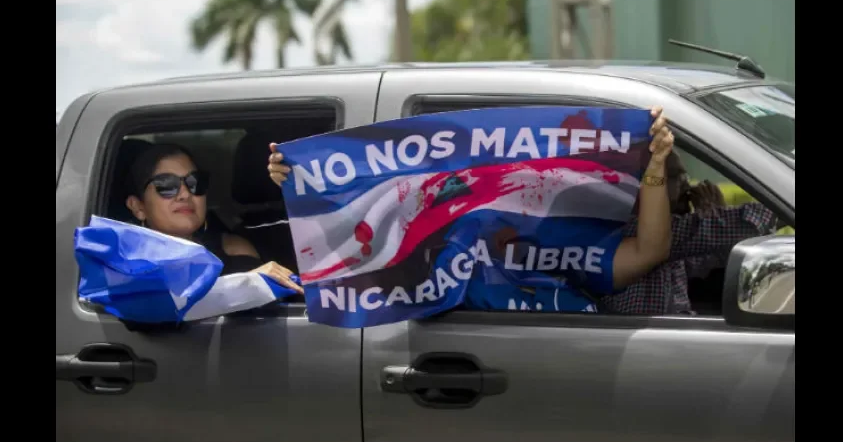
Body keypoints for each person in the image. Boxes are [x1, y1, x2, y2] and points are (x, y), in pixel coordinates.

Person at [266, 107, 677, 308]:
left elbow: (649, 252)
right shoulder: (425, 267)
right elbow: (350, 262)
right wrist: (307, 187)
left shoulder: (556, 237)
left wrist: (656, 168)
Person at [597, 149, 779, 315]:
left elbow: (709, 258)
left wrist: (712, 217)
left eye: (686, 177)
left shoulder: (672, 243)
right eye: (677, 177)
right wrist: (778, 205)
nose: (688, 187)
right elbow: (740, 225)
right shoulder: (636, 230)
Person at [125, 143, 303, 294]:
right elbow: (152, 306)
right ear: (138, 207)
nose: (185, 194)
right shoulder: (124, 260)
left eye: (194, 183)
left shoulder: (233, 249)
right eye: (166, 185)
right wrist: (246, 283)